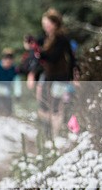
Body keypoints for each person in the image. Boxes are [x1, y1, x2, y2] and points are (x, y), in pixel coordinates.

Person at [31, 8, 77, 139]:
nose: (45, 27)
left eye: (47, 24)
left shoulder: (62, 39)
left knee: (56, 106)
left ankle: (57, 135)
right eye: (44, 24)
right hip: (48, 76)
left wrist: (39, 53)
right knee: (43, 105)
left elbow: (55, 57)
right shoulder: (45, 38)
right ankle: (47, 134)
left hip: (60, 78)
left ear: (55, 24)